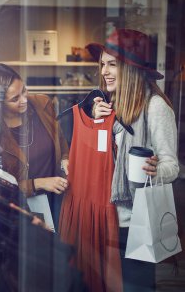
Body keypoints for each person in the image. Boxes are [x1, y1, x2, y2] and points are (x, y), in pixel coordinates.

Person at [86, 28, 179, 291]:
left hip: (134, 222)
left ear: (130, 68)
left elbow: (172, 166)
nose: (104, 71)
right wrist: (98, 122)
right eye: (102, 64)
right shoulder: (108, 104)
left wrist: (153, 170)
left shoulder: (155, 107)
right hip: (104, 217)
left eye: (112, 64)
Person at [0, 63, 69, 230]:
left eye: (24, 91)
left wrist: (65, 159)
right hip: (21, 210)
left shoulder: (43, 104)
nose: (24, 100)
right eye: (14, 99)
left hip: (60, 200)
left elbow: (61, 142)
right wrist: (37, 184)